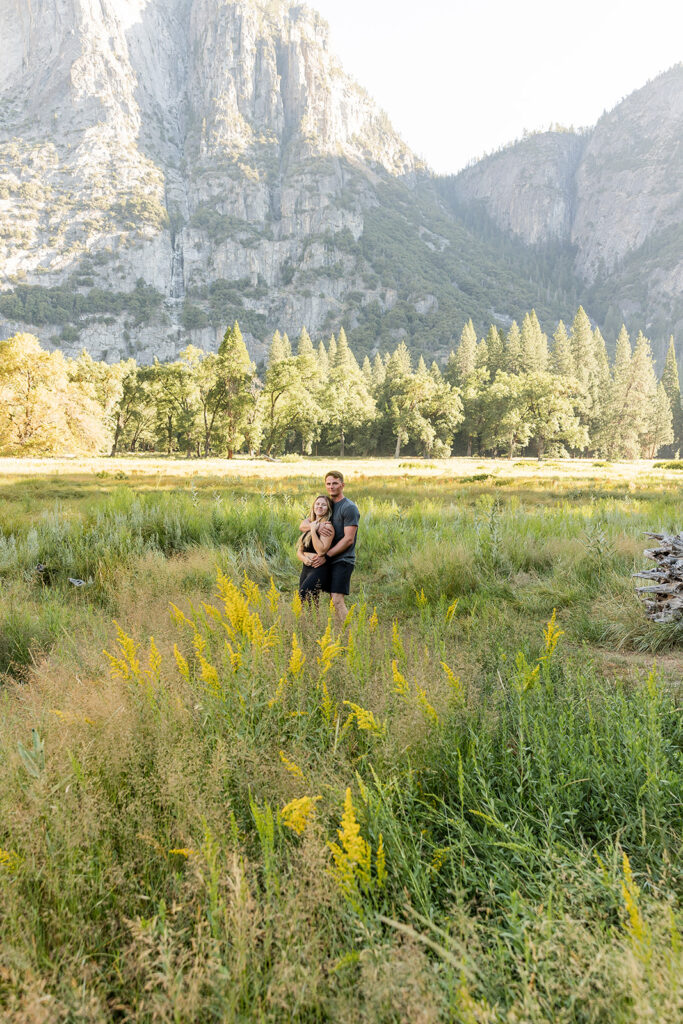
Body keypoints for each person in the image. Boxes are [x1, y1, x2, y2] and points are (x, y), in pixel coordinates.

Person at [300, 470, 360, 622]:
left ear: (342, 485)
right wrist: (317, 527)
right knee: (312, 594)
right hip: (325, 559)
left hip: (342, 560)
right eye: (328, 484)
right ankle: (318, 627)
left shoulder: (349, 508)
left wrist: (326, 556)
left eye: (335, 483)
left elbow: (348, 540)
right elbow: (303, 525)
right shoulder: (326, 504)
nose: (331, 487)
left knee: (337, 600)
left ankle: (349, 633)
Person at [296, 494, 335, 603]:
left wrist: (313, 530)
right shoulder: (310, 524)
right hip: (306, 567)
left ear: (328, 509)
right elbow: (299, 551)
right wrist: (304, 559)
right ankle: (311, 621)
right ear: (313, 507)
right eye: (317, 504)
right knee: (309, 602)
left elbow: (321, 551)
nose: (320, 507)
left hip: (319, 569)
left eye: (324, 505)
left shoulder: (327, 527)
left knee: (303, 595)